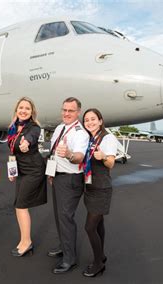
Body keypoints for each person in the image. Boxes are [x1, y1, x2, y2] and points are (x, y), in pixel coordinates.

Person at [47, 97, 89, 274]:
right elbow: (53, 152)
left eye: (71, 110)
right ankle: (64, 247)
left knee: (66, 218)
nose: (66, 113)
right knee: (59, 216)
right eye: (64, 109)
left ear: (78, 112)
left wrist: (69, 154)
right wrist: (51, 173)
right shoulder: (59, 128)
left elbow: (79, 156)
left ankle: (69, 259)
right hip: (57, 176)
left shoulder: (80, 133)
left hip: (71, 179)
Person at [7, 97, 47, 257]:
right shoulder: (13, 128)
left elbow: (30, 138)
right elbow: (12, 151)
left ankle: (26, 242)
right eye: (21, 107)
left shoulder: (34, 127)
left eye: (27, 109)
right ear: (17, 109)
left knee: (21, 205)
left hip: (33, 170)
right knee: (19, 204)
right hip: (22, 170)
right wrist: (12, 171)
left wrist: (26, 144)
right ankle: (24, 240)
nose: (23, 111)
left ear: (32, 112)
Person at [81, 108, 117, 277]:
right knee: (98, 224)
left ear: (101, 121)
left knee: (89, 227)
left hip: (101, 187)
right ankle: (101, 255)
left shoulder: (107, 138)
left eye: (93, 119)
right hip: (90, 186)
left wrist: (103, 156)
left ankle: (98, 264)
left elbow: (111, 164)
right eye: (87, 120)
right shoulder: (89, 138)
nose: (90, 122)